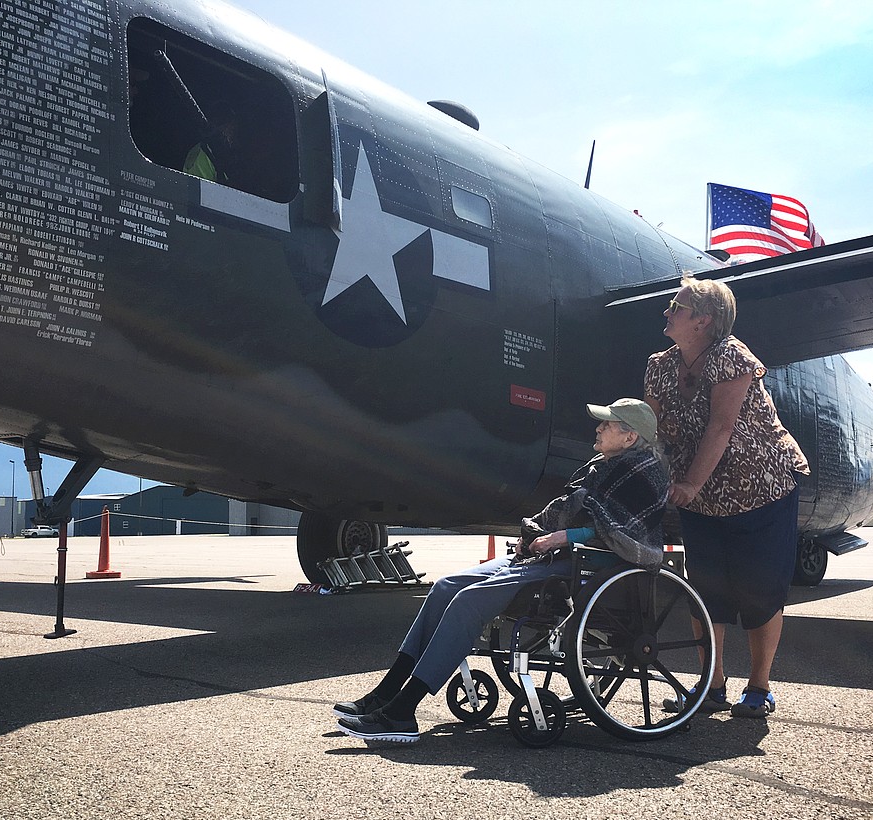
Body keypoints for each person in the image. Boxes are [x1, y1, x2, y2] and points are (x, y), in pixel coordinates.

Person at [334, 399, 670, 743]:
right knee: (446, 587)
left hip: (585, 567)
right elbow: (573, 508)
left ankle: (402, 711)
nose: (598, 428)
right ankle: (386, 692)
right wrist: (535, 535)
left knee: (469, 602)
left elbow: (626, 533)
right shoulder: (602, 466)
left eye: (607, 425)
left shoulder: (645, 475)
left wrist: (563, 536)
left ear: (629, 437)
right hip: (554, 556)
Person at [644, 275, 809, 719]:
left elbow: (721, 427)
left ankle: (759, 687)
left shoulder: (731, 356)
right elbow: (648, 430)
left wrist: (691, 484)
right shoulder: (660, 365)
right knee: (707, 591)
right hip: (699, 496)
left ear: (704, 320)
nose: (667, 313)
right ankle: (711, 687)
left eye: (676, 307)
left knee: (759, 591)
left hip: (761, 488)